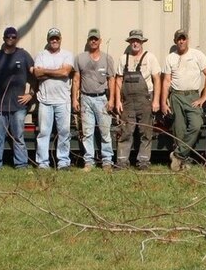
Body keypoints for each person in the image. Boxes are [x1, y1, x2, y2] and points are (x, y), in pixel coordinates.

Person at [0, 26, 34, 169]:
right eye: (8, 37)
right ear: (4, 38)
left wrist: (30, 94)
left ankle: (21, 164)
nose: (10, 39)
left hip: (18, 105)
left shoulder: (23, 55)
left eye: (13, 37)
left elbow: (34, 75)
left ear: (17, 38)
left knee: (18, 137)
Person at [161, 29, 206, 171]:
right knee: (179, 131)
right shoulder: (170, 58)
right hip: (176, 96)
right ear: (175, 41)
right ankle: (181, 163)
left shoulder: (197, 55)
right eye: (178, 39)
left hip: (193, 97)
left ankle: (177, 155)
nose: (181, 41)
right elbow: (166, 81)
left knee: (196, 125)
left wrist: (203, 97)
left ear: (187, 40)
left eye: (183, 38)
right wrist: (164, 102)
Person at [110, 29, 161, 170]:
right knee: (126, 131)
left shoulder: (150, 58)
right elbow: (118, 80)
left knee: (145, 132)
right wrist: (118, 101)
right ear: (130, 42)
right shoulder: (123, 59)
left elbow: (157, 80)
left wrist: (156, 101)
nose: (135, 43)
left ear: (142, 42)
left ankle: (143, 161)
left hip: (145, 100)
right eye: (133, 41)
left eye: (138, 41)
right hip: (127, 102)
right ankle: (121, 162)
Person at [72, 28, 116, 171]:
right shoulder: (80, 58)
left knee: (105, 132)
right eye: (91, 38)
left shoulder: (107, 58)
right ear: (88, 40)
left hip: (102, 99)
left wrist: (111, 101)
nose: (93, 41)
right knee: (87, 132)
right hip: (85, 99)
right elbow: (76, 80)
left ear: (100, 41)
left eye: (96, 39)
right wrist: (75, 99)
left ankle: (107, 162)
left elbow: (111, 81)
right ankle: (88, 162)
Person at [32, 27, 74, 170]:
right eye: (52, 38)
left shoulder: (67, 55)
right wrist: (57, 72)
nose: (54, 40)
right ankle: (43, 163)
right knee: (43, 133)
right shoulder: (41, 55)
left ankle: (63, 162)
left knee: (64, 132)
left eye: (56, 38)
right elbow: (37, 75)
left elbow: (65, 72)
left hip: (63, 101)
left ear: (60, 39)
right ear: (48, 40)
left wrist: (46, 71)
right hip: (45, 101)